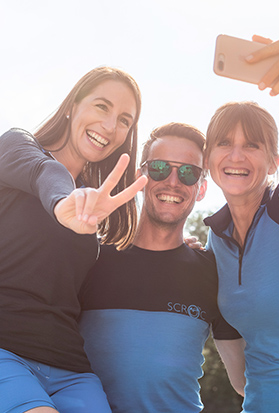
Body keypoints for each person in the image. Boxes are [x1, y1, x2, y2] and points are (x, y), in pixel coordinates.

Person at [0, 66, 147, 413]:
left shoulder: (92, 209)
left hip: (71, 370)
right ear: (72, 106)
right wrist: (62, 202)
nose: (110, 127)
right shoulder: (16, 147)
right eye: (101, 107)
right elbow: (44, 171)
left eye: (125, 120)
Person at [78, 122, 245, 413]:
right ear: (140, 176)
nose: (172, 182)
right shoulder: (88, 258)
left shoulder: (214, 273)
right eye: (159, 168)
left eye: (188, 172)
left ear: (201, 188)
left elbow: (246, 381)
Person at [204, 33, 279, 412]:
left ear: (273, 162)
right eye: (224, 143)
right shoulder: (215, 240)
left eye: (252, 145)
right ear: (209, 159)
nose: (236, 155)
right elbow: (239, 377)